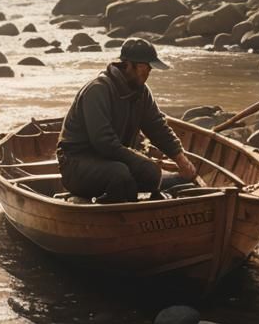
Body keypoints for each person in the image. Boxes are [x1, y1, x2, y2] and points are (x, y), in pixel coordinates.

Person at [56, 38, 198, 202]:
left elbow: (157, 127)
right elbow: (104, 143)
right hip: (76, 164)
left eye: (150, 68)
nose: (148, 73)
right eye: (145, 67)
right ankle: (108, 210)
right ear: (129, 66)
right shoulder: (97, 90)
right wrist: (142, 162)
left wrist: (181, 159)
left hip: (111, 160)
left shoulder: (142, 92)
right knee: (121, 174)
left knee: (150, 174)